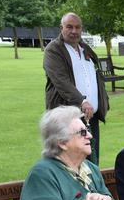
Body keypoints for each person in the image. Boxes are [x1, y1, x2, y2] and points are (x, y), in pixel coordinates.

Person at [44, 12, 108, 165]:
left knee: (92, 160)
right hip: (67, 120)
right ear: (61, 28)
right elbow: (61, 81)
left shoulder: (86, 49)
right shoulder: (53, 50)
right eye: (69, 27)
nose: (74, 31)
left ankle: (93, 189)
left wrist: (103, 101)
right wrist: (82, 101)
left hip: (89, 118)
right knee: (69, 161)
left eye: (77, 27)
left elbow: (96, 77)